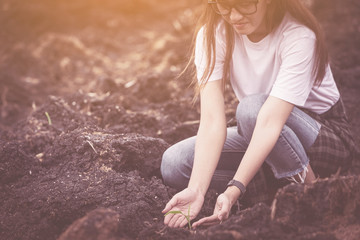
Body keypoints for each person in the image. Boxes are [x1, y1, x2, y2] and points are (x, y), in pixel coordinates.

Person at [160, 0, 356, 229]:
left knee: (251, 109)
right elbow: (212, 120)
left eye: (243, 4)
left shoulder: (299, 36)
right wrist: (196, 190)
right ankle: (277, 188)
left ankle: (312, 193)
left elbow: (270, 120)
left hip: (321, 134)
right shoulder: (213, 35)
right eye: (223, 5)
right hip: (260, 130)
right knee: (175, 164)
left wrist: (234, 189)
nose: (233, 16)